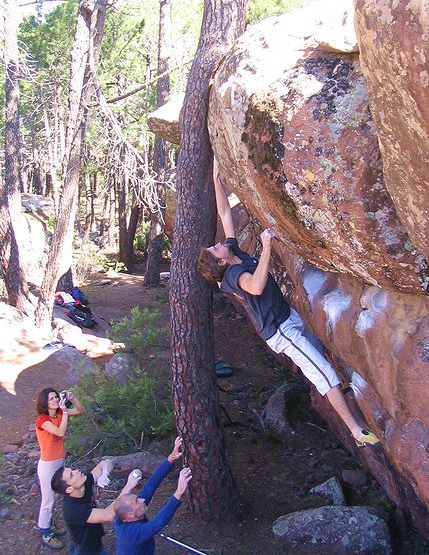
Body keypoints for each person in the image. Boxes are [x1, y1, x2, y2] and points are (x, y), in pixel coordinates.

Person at [198, 163, 379, 448]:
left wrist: (215, 178)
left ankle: (348, 404)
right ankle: (357, 432)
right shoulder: (233, 275)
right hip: (281, 332)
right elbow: (255, 287)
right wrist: (267, 247)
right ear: (220, 262)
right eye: (216, 248)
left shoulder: (233, 253)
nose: (219, 243)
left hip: (288, 318)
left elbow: (224, 213)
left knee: (324, 360)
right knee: (325, 375)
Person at [113, 437, 192, 554]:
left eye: (137, 498)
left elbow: (151, 485)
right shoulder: (132, 534)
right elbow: (158, 523)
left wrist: (170, 459)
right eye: (137, 502)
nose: (141, 500)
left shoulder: (124, 517)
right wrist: (179, 492)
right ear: (129, 515)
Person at [51, 458, 141, 555]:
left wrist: (105, 473)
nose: (76, 471)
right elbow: (109, 515)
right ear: (69, 489)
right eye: (72, 475)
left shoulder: (82, 481)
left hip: (93, 539)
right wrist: (128, 486)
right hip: (85, 549)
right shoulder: (74, 510)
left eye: (72, 470)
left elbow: (105, 463)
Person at [35, 387, 86, 550]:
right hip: (48, 466)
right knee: (48, 500)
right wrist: (64, 411)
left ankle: (50, 524)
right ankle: (46, 533)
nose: (56, 400)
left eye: (56, 397)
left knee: (59, 496)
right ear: (45, 402)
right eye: (51, 399)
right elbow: (59, 433)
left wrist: (73, 398)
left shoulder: (58, 413)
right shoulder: (42, 420)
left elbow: (81, 410)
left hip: (59, 462)